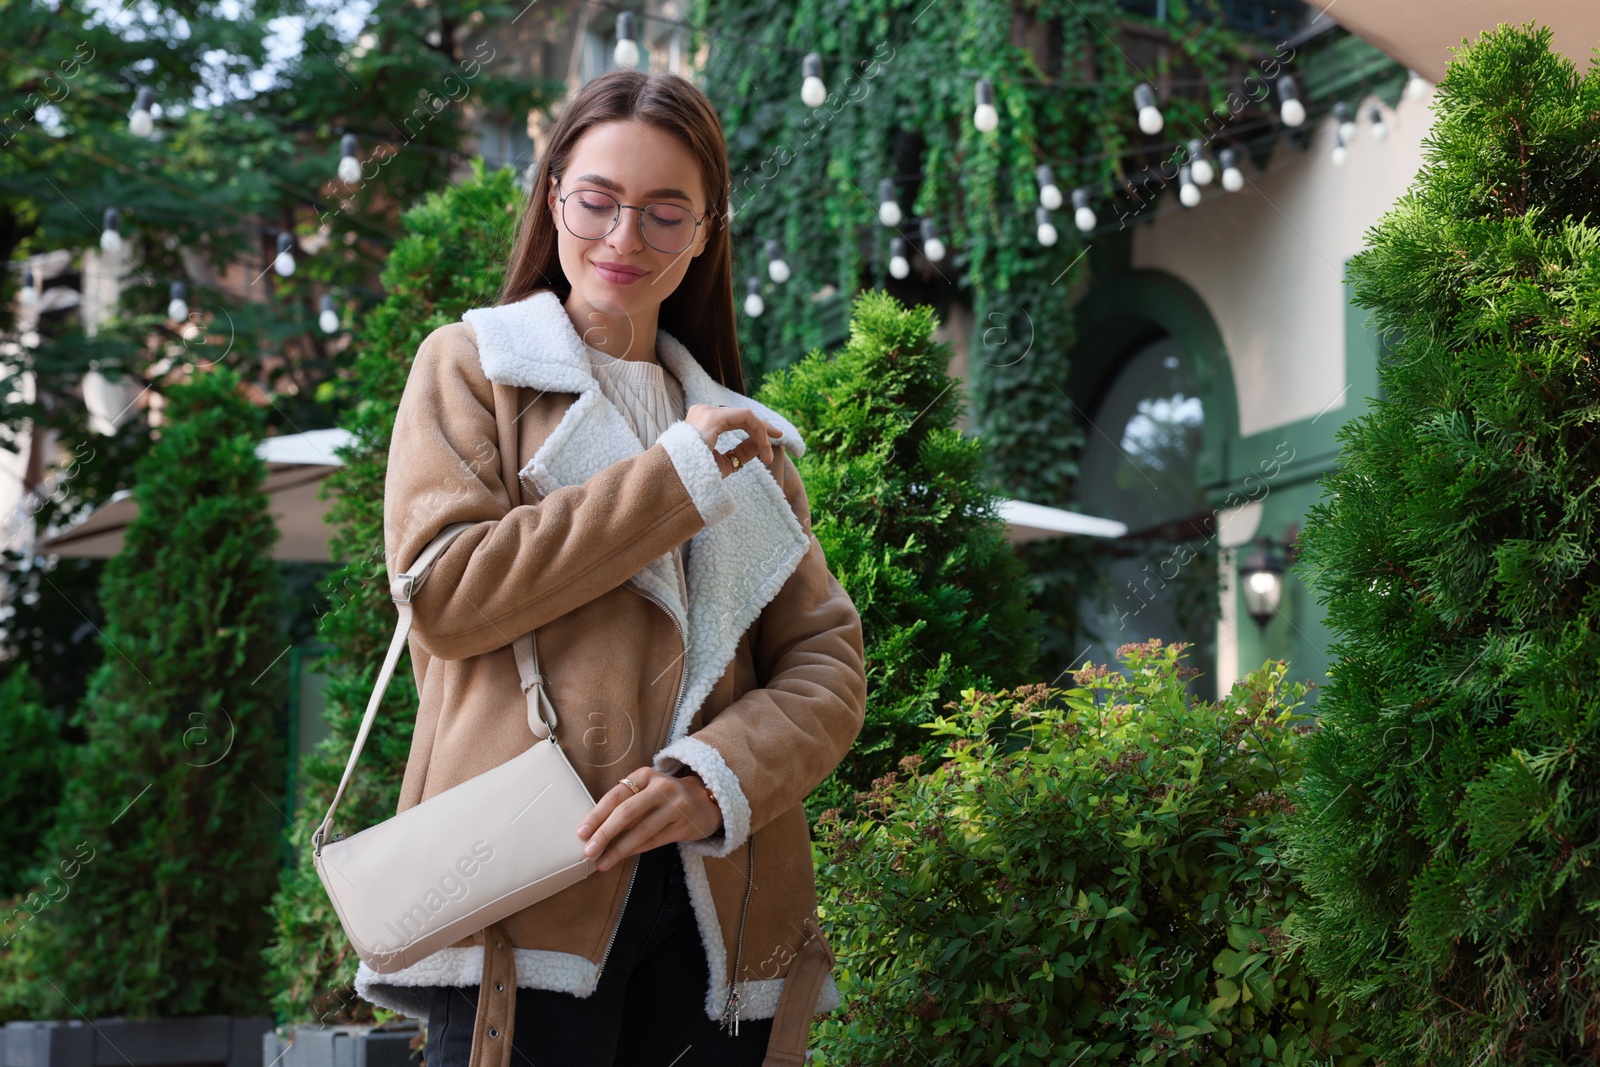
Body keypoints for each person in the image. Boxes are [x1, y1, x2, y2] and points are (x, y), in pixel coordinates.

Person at [362, 66, 868, 1067]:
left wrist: (712, 776)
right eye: (596, 201)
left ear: (703, 231)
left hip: (718, 900)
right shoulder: (472, 367)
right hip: (524, 889)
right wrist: (671, 477)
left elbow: (826, 665)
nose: (623, 239)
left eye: (663, 212)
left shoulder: (746, 437)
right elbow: (448, 595)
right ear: (553, 198)